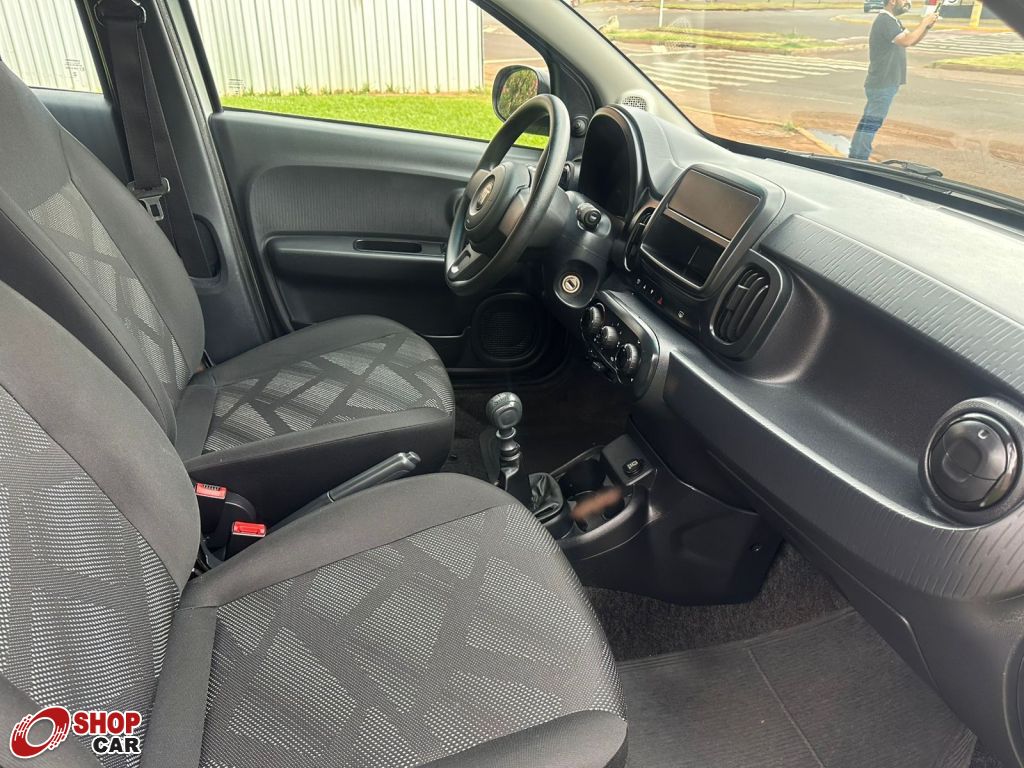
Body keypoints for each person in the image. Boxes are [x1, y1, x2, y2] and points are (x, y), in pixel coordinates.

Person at [849, 0, 939, 160]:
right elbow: (906, 41)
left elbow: (911, 40)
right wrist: (924, 22)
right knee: (872, 123)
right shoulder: (885, 20)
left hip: (885, 81)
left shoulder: (893, 20)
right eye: (903, 0)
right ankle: (860, 158)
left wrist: (926, 27)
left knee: (868, 121)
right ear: (892, 1)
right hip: (883, 82)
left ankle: (856, 154)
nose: (907, 3)